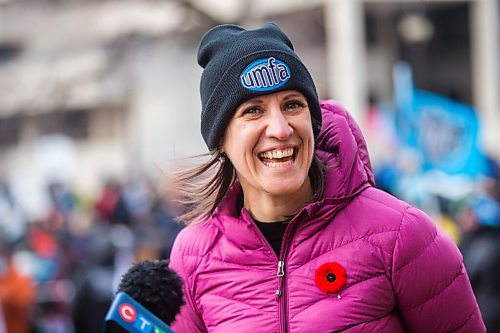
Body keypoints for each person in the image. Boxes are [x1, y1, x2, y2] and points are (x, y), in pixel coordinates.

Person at [169, 23, 485, 332]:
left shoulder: (402, 235)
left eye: (293, 104)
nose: (280, 129)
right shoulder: (193, 256)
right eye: (253, 110)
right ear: (220, 139)